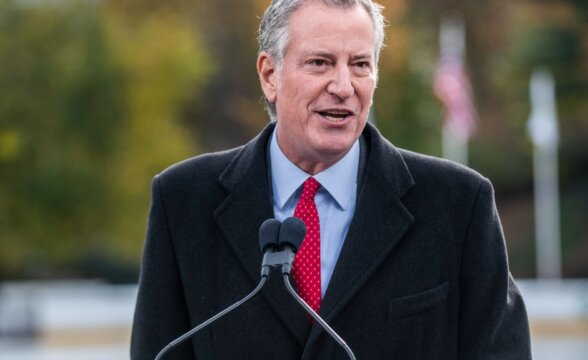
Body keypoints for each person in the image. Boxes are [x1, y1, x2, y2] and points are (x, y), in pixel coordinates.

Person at [130, 0, 532, 359]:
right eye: (320, 63)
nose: (343, 87)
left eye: (360, 65)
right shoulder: (183, 200)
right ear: (270, 75)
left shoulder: (459, 204)